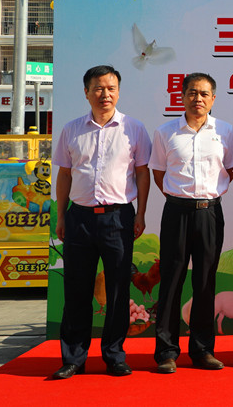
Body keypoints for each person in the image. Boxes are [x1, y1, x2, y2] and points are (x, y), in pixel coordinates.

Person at [50, 65, 151, 380]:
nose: (105, 94)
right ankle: (74, 359)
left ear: (118, 92)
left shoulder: (134, 129)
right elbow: (65, 174)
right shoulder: (71, 130)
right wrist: (62, 215)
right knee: (76, 289)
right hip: (79, 218)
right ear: (86, 92)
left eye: (111, 88)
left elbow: (142, 173)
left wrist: (141, 214)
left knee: (118, 291)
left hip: (118, 218)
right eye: (98, 88)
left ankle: (114, 355)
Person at [149, 72, 233, 373]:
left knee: (205, 282)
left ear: (213, 99)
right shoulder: (166, 132)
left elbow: (230, 169)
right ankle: (166, 351)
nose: (197, 99)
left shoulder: (225, 131)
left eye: (204, 94)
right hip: (176, 212)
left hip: (210, 213)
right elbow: (158, 172)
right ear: (182, 96)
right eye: (192, 93)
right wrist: (180, 197)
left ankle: (202, 350)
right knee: (171, 281)